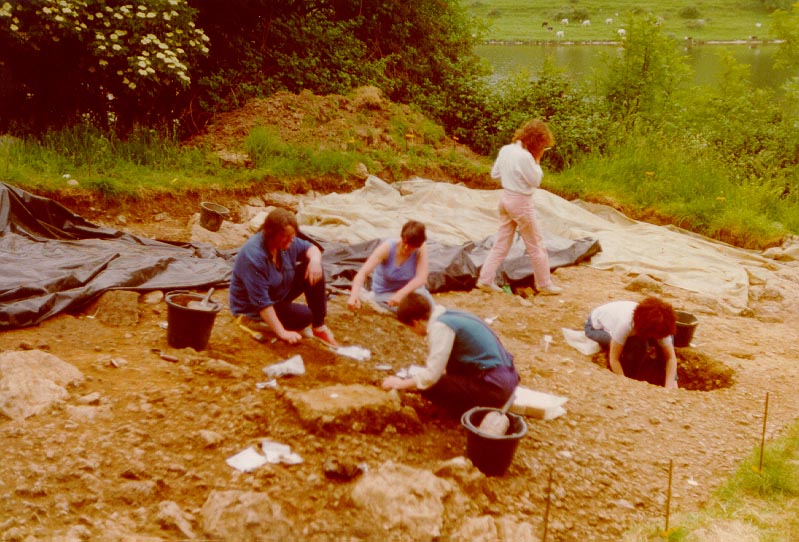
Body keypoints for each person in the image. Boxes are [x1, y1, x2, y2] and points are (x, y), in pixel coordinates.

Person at [381, 292, 519, 416]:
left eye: (410, 328)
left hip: (495, 388)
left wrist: (400, 384)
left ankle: (467, 412)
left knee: (431, 386)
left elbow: (431, 376)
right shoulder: (448, 315)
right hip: (506, 378)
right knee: (443, 376)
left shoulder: (440, 327)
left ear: (415, 322)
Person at [229, 207, 338, 347]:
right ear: (270, 234)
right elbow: (261, 303)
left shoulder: (287, 243)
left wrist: (315, 261)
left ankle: (319, 327)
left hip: (277, 292)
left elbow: (311, 248)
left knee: (313, 268)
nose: (290, 241)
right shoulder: (254, 256)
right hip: (253, 308)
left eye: (292, 237)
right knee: (304, 316)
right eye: (285, 237)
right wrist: (282, 332)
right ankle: (259, 323)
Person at [476, 118, 562, 295]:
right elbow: (536, 181)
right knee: (535, 244)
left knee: (501, 243)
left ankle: (485, 279)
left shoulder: (506, 150)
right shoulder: (526, 157)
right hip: (521, 202)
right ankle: (544, 284)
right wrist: (537, 161)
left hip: (505, 198)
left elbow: (494, 174)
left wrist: (512, 178)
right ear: (538, 142)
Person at [584, 297, 678, 388]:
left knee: (668, 340)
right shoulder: (625, 325)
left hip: (630, 324)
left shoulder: (661, 324)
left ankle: (668, 378)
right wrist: (626, 384)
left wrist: (670, 385)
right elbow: (614, 359)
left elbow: (671, 358)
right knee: (634, 345)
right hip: (594, 327)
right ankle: (631, 374)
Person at [347, 220, 433, 314]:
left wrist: (401, 294)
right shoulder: (387, 248)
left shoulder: (421, 248)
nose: (406, 248)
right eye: (405, 243)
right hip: (386, 293)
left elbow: (422, 278)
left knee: (430, 309)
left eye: (411, 247)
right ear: (402, 237)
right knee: (412, 312)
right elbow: (363, 273)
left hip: (409, 290)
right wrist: (354, 296)